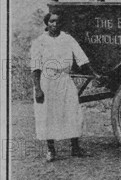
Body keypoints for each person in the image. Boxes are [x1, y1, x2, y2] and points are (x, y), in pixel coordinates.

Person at [30, 12, 100, 162]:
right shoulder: (40, 41)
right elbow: (35, 67)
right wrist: (38, 89)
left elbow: (81, 56)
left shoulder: (67, 39)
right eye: (52, 21)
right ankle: (51, 150)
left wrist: (94, 74)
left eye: (58, 22)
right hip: (47, 80)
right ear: (47, 24)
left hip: (64, 79)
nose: (55, 24)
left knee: (72, 110)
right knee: (47, 113)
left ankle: (75, 147)